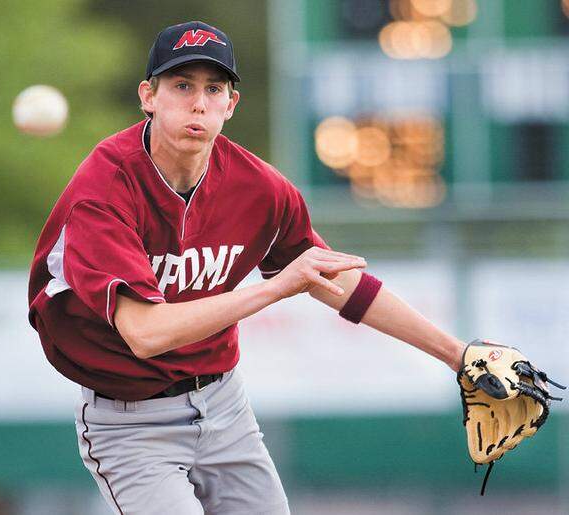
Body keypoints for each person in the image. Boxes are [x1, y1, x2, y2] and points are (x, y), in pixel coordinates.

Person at [28, 20, 465, 515]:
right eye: (182, 85)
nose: (199, 102)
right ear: (148, 96)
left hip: (223, 406)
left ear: (231, 104)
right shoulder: (104, 189)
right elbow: (145, 333)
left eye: (214, 88)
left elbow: (332, 278)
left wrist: (457, 355)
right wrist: (278, 287)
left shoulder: (260, 187)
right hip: (130, 421)